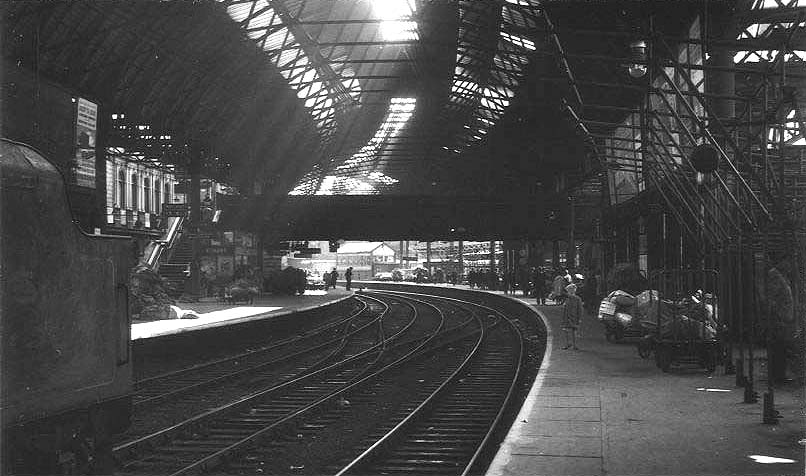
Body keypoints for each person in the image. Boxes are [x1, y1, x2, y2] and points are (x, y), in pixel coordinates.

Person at [562, 283, 584, 350]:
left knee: (571, 330)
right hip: (569, 317)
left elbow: (580, 309)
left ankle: (571, 344)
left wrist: (579, 318)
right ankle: (571, 344)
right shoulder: (571, 298)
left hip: (573, 317)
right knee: (570, 330)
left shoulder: (576, 299)